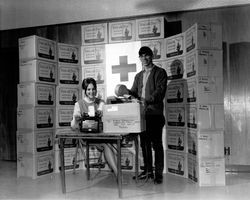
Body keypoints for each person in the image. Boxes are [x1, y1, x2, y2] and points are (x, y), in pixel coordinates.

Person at [129, 46, 167, 184]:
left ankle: (158, 174)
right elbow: (133, 92)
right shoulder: (138, 76)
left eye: (147, 55)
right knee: (144, 144)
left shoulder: (160, 72)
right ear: (139, 58)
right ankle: (148, 170)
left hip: (155, 115)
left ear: (152, 56)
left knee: (156, 144)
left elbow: (159, 92)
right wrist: (124, 91)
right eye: (141, 56)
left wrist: (147, 100)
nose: (144, 58)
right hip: (142, 115)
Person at [71, 77, 118, 176]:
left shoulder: (100, 102)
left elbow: (104, 111)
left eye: (93, 89)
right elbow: (73, 126)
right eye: (88, 89)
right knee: (106, 145)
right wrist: (76, 118)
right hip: (87, 136)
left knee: (110, 143)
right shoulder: (78, 104)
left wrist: (102, 111)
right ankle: (118, 174)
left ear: (96, 89)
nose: (91, 92)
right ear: (85, 90)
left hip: (100, 134)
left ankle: (116, 171)